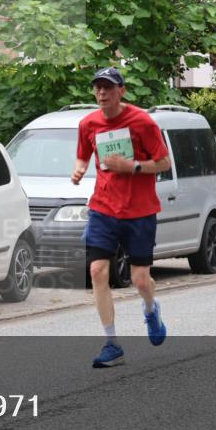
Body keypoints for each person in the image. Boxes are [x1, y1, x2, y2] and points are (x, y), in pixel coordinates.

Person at [72, 67, 172, 367]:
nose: (102, 93)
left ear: (122, 91)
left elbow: (164, 162)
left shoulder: (142, 122)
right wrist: (79, 168)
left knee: (141, 280)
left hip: (140, 211)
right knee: (97, 272)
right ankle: (111, 343)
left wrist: (133, 167)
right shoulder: (88, 123)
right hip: (103, 208)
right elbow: (83, 154)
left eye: (108, 88)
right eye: (98, 88)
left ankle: (150, 309)